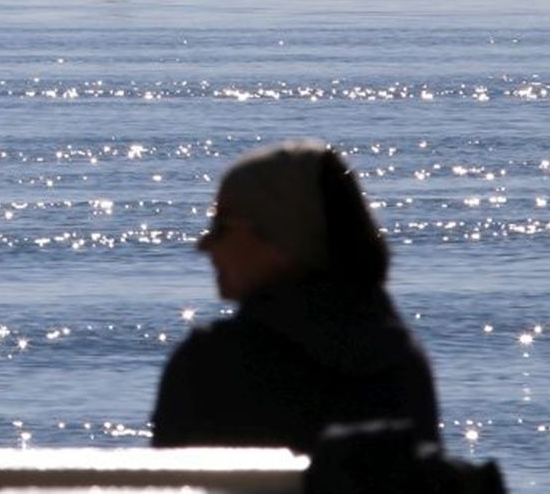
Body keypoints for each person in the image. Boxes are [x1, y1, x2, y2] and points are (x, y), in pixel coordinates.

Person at [151, 140, 441, 454]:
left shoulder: (208, 366)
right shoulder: (402, 363)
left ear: (281, 240)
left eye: (222, 227)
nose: (205, 245)